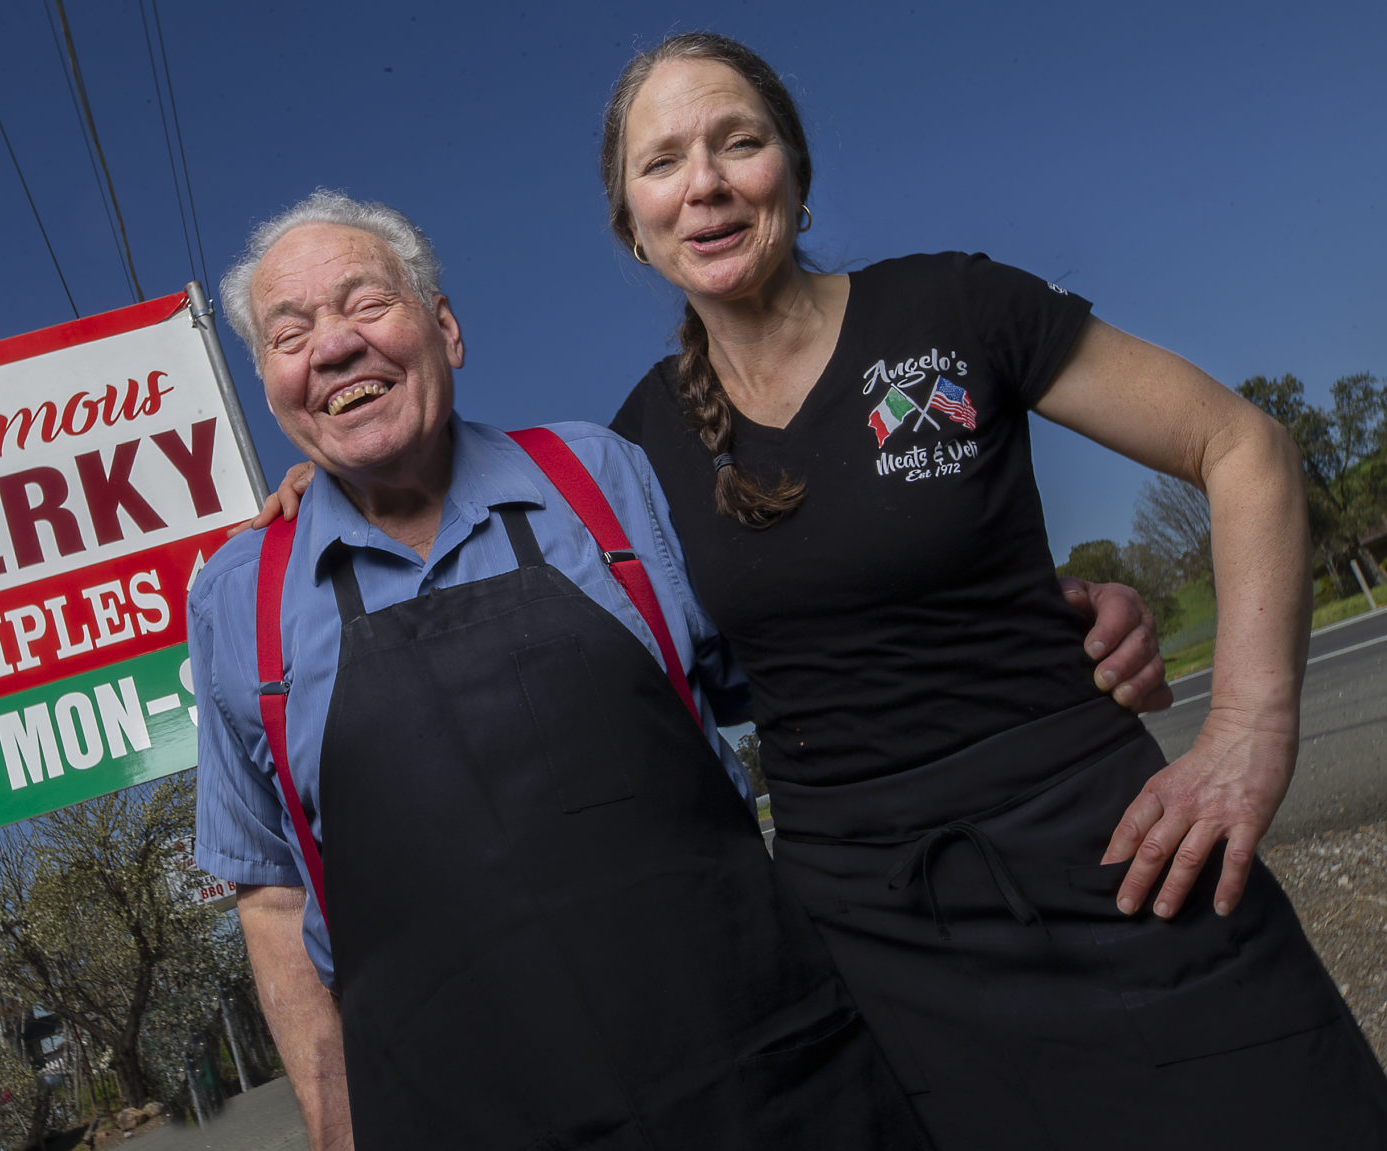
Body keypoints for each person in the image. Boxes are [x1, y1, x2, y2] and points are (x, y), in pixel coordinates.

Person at [190, 189, 1163, 1150]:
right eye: (288, 334)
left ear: (443, 329)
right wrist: (332, 1131)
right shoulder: (236, 604)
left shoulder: (609, 476)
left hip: (768, 1082)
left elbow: (814, 658)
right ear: (272, 387)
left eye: (365, 303)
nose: (331, 345)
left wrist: (1029, 614)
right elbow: (271, 900)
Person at [595, 32, 1387, 1147]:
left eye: (738, 142)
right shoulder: (629, 452)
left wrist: (1251, 727)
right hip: (884, 947)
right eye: (662, 162)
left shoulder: (952, 309)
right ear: (630, 223)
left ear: (795, 172)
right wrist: (314, 495)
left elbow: (1241, 447)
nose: (706, 185)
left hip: (1125, 864)